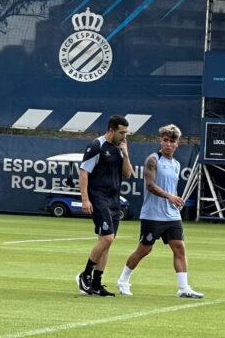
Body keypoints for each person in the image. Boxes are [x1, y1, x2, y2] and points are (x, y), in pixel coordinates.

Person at [116, 124, 203, 298]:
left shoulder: (177, 164)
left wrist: (176, 199)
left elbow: (170, 188)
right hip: (153, 215)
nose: (169, 144)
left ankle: (183, 288)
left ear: (177, 144)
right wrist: (170, 196)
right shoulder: (153, 160)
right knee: (144, 250)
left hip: (172, 214)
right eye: (165, 140)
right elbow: (150, 185)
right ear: (160, 141)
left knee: (179, 248)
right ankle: (123, 280)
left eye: (172, 141)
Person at [75, 115, 133, 297]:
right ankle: (85, 275)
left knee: (108, 242)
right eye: (122, 133)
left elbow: (127, 174)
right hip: (98, 197)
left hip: (114, 198)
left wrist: (126, 154)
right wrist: (85, 199)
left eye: (126, 133)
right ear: (111, 130)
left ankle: (97, 283)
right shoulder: (97, 145)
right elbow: (84, 172)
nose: (124, 136)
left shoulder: (120, 148)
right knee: (106, 238)